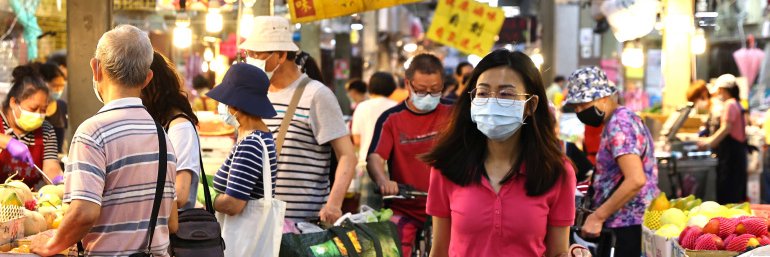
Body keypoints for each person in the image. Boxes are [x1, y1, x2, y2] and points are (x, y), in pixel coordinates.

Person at [31, 25, 177, 257]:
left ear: (96, 68)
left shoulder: (93, 132)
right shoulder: (162, 136)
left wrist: (51, 246)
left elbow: (84, 213)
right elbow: (171, 222)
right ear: (147, 78)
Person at [423, 49, 584, 257]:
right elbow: (439, 251)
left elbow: (557, 252)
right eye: (482, 93)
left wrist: (576, 253)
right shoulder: (447, 167)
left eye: (506, 93)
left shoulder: (556, 171)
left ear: (530, 105)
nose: (492, 101)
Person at [240, 16, 356, 223]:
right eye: (249, 53)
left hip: (300, 225)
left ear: (282, 55)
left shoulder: (316, 95)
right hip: (257, 222)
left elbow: (347, 155)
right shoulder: (255, 94)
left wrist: (334, 204)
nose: (252, 59)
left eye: (257, 53)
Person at [563, 66, 658, 257]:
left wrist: (598, 217)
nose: (580, 111)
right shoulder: (622, 119)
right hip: (629, 222)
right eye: (576, 107)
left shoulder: (619, 125)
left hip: (627, 225)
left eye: (584, 103)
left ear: (604, 98)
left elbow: (635, 179)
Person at [367, 53, 452, 255]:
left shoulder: (455, 113)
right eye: (421, 90)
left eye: (435, 90)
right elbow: (375, 157)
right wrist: (383, 180)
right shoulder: (391, 119)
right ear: (408, 84)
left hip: (451, 207)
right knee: (391, 249)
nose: (429, 95)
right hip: (405, 206)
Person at [207, 63, 279, 257]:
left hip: (242, 243)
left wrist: (206, 199)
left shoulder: (251, 143)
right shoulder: (257, 137)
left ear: (236, 106)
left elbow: (234, 204)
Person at [142, 51, 201, 212]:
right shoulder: (160, 122)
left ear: (149, 83)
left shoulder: (180, 127)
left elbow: (180, 195)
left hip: (173, 230)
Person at [0, 64, 61, 189]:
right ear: (13, 102)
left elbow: (51, 166)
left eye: (43, 110)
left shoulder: (46, 130)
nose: (38, 115)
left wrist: (58, 181)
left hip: (30, 200)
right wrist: (8, 142)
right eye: (33, 109)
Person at [698, 74, 748, 204]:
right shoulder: (738, 104)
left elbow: (726, 128)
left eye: (719, 90)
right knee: (735, 193)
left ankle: (726, 223)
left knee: (727, 194)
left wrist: (710, 142)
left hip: (730, 156)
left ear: (724, 90)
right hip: (739, 154)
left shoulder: (729, 104)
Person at [351, 72, 398, 207]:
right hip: (392, 165)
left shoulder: (362, 107)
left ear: (370, 87)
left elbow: (357, 140)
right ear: (392, 88)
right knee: (391, 211)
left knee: (367, 211)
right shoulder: (396, 107)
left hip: (368, 164)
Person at [33, 62, 68, 153]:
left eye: (61, 86)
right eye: (54, 86)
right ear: (43, 83)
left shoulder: (62, 106)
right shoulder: (32, 109)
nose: (58, 90)